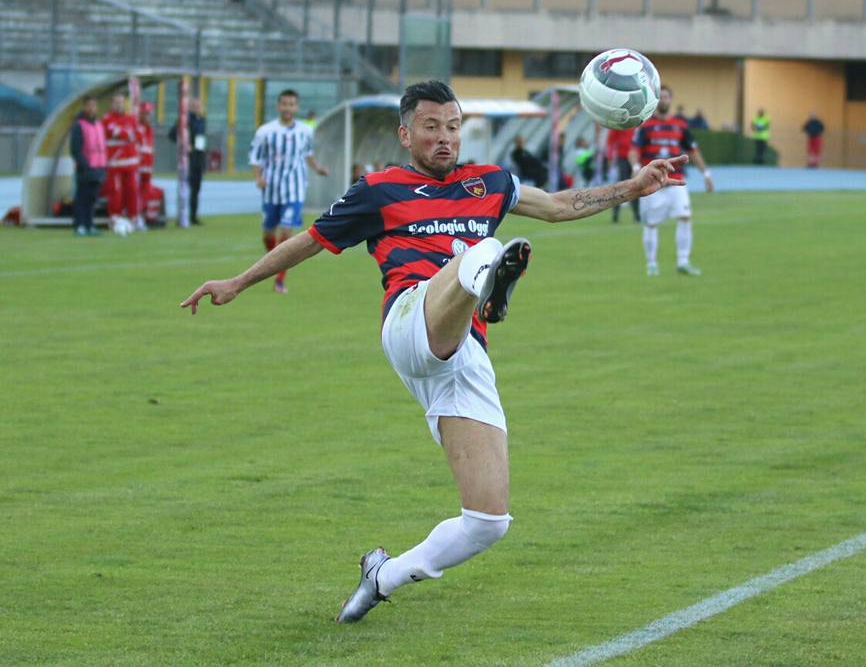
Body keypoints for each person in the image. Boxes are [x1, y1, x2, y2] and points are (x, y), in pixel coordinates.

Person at [180, 80, 685, 624]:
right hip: (408, 320)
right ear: (405, 134)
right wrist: (237, 281)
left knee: (488, 521)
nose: (444, 137)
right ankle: (488, 283)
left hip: (461, 353)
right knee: (485, 248)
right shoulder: (378, 190)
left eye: (453, 126)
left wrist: (635, 186)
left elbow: (561, 205)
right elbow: (309, 241)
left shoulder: (490, 182)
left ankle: (383, 576)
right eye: (431, 127)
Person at [249, 88, 329, 294]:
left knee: (286, 231)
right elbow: (255, 158)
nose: (287, 108)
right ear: (279, 106)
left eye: (291, 104)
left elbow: (307, 154)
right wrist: (258, 179)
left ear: (296, 107)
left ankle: (279, 279)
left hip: (294, 189)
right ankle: (275, 262)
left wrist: (317, 168)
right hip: (271, 190)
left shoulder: (305, 131)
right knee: (268, 233)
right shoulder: (265, 132)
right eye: (284, 104)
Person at [631, 84, 714, 277]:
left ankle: (683, 262)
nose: (663, 100)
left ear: (671, 100)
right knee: (651, 223)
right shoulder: (645, 125)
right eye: (660, 97)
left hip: (676, 181)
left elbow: (693, 151)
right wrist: (635, 167)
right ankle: (651, 264)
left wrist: (706, 174)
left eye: (666, 97)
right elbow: (634, 150)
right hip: (652, 183)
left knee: (685, 217)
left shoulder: (681, 125)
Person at [101, 92, 140, 231]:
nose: (119, 105)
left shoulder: (131, 119)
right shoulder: (107, 119)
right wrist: (126, 133)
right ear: (112, 104)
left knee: (132, 191)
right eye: (116, 102)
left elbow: (135, 135)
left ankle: (133, 218)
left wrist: (124, 133)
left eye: (121, 102)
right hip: (115, 164)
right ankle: (114, 218)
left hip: (130, 164)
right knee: (115, 192)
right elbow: (117, 133)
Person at [69, 95, 107, 237]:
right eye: (88, 105)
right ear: (84, 107)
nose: (91, 108)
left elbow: (102, 147)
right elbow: (75, 149)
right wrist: (85, 166)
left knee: (92, 199)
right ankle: (79, 225)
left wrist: (103, 167)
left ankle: (89, 224)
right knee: (82, 198)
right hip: (85, 169)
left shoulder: (98, 125)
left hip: (98, 168)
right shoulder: (79, 125)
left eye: (93, 105)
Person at [168, 97, 207, 226]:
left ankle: (193, 216)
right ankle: (182, 216)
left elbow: (201, 140)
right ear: (190, 107)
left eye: (199, 106)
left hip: (198, 159)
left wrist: (203, 158)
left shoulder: (202, 120)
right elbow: (172, 134)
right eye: (195, 106)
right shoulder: (185, 120)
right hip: (187, 159)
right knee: (185, 187)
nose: (198, 108)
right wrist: (184, 145)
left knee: (196, 189)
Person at [136, 102, 166, 228]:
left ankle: (148, 218)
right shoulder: (137, 128)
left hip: (147, 169)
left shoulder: (150, 130)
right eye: (145, 113)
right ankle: (138, 217)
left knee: (149, 193)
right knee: (137, 193)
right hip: (137, 168)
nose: (148, 116)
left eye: (149, 114)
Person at [605, 125, 640, 223]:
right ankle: (615, 214)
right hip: (623, 158)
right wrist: (610, 157)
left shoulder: (639, 123)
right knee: (621, 186)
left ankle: (637, 215)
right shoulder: (620, 123)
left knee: (637, 185)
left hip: (636, 158)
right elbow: (611, 141)